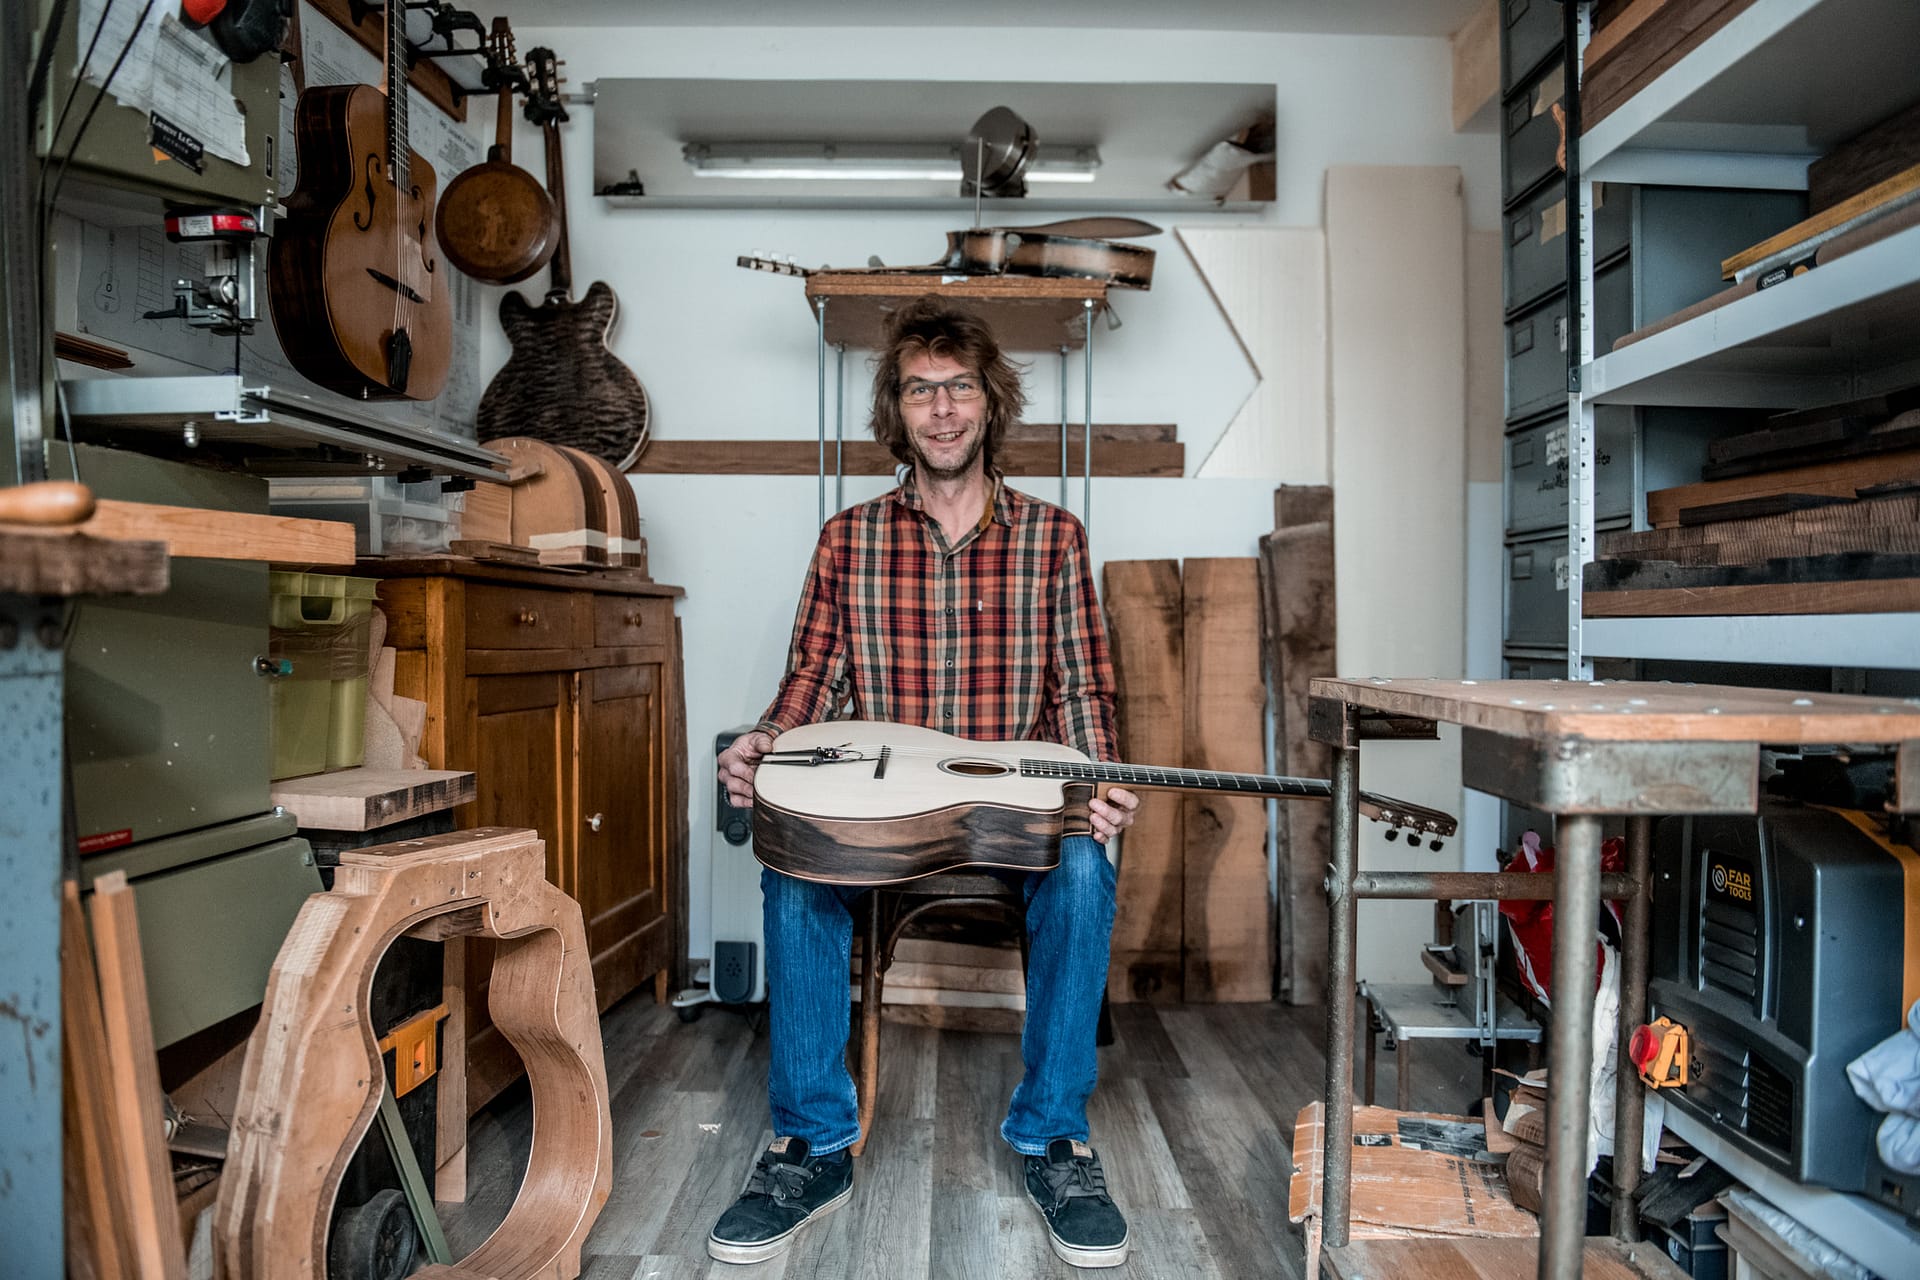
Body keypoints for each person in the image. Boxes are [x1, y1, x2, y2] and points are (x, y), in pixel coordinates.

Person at [707, 296, 1141, 1269]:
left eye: (958, 388)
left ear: (990, 402)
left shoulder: (1056, 538)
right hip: (882, 822)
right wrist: (765, 743)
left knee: (1085, 868)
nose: (941, 410)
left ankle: (1054, 1138)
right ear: (896, 412)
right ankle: (812, 1144)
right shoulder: (848, 539)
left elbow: (1082, 691)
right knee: (792, 865)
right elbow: (811, 683)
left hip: (1012, 814)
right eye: (918, 390)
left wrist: (1098, 784)